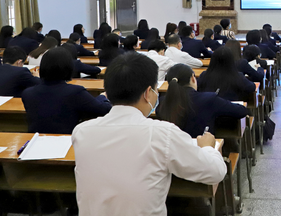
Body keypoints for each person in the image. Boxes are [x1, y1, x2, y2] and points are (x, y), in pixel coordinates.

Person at [72, 53, 226, 216]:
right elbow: (215, 172)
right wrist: (208, 148)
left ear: (107, 94)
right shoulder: (162, 134)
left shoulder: (82, 132)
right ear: (148, 93)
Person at [22, 47, 111, 134]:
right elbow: (103, 109)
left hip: (35, 142)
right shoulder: (76, 92)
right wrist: (103, 97)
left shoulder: (27, 93)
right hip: (67, 142)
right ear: (69, 67)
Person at [157, 64, 250, 138]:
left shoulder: (162, 103)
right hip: (202, 153)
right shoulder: (209, 99)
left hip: (171, 155)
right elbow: (241, 111)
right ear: (193, 78)